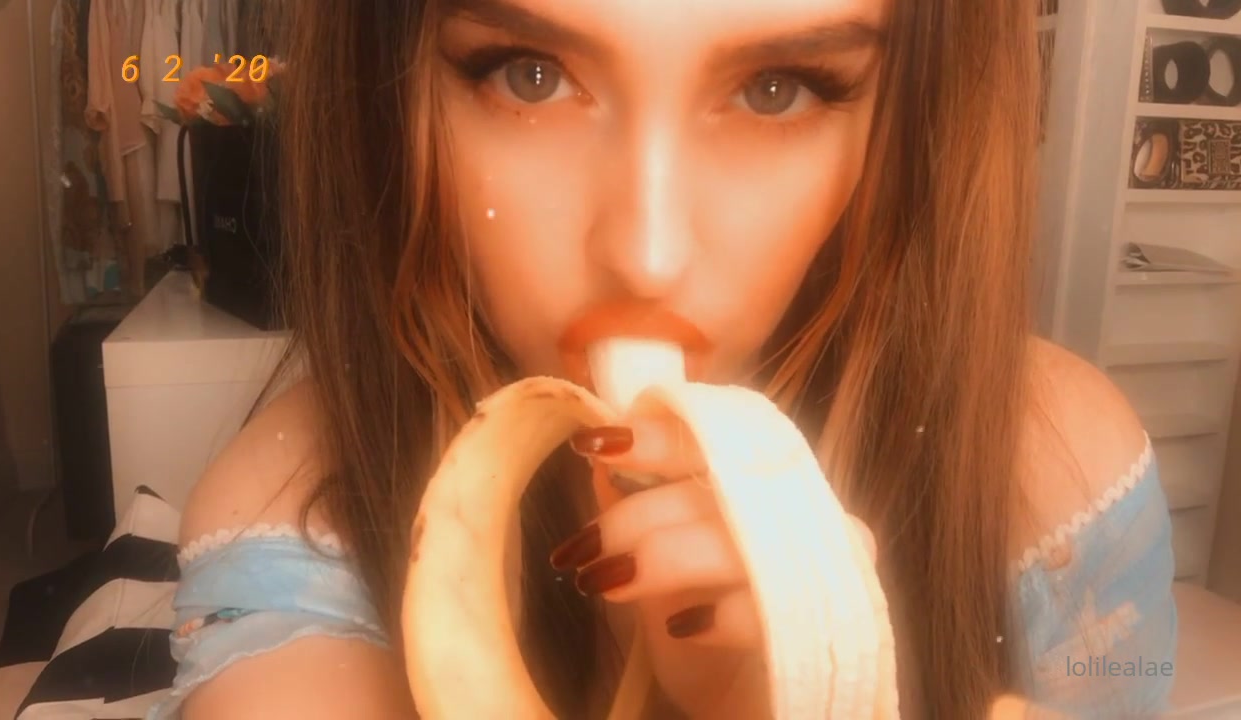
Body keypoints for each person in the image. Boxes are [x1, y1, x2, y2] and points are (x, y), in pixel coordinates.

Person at [149, 0, 1178, 717]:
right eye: (528, 74)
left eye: (776, 88)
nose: (646, 254)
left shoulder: (1057, 479)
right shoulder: (291, 523)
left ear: (907, 121)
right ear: (391, 101)